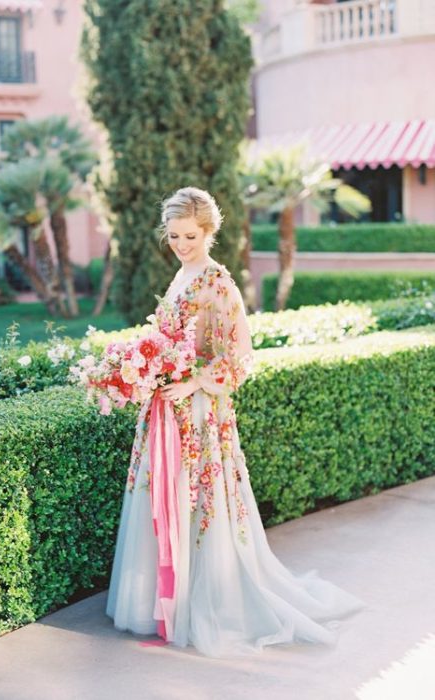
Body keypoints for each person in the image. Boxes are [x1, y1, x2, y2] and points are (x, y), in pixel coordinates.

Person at [105, 186, 367, 658]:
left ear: (209, 231)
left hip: (201, 410)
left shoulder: (217, 281)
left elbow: (241, 356)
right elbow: (172, 340)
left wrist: (194, 382)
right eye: (174, 236)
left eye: (190, 236)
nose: (182, 244)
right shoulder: (182, 274)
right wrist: (144, 366)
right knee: (165, 498)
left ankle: (205, 601)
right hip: (166, 408)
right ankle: (167, 598)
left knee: (199, 500)